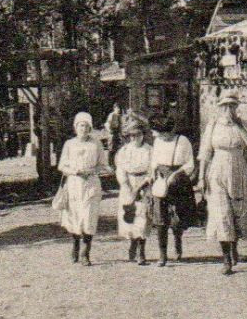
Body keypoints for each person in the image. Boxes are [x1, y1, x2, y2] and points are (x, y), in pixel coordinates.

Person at [197, 93, 247, 275]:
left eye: (232, 106)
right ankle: (226, 259)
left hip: (238, 168)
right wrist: (201, 177)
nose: (228, 110)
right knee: (221, 213)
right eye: (225, 106)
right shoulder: (213, 126)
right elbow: (205, 153)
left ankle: (234, 247)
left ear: (236, 107)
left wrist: (239, 125)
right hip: (218, 168)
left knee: (237, 212)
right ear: (219, 108)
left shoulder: (242, 125)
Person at [56, 111, 110, 265]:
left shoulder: (96, 144)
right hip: (74, 184)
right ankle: (75, 245)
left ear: (90, 127)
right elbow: (62, 165)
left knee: (89, 217)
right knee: (74, 217)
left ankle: (85, 253)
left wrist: (93, 171)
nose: (83, 129)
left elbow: (103, 164)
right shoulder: (69, 144)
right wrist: (76, 171)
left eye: (86, 126)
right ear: (75, 127)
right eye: (81, 125)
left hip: (91, 184)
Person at [148, 114, 196, 266]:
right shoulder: (157, 141)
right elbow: (154, 161)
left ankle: (177, 241)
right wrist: (152, 173)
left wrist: (176, 174)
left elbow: (190, 164)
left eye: (156, 131)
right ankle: (163, 255)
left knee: (177, 218)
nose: (154, 134)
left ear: (165, 131)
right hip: (161, 182)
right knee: (160, 218)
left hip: (178, 181)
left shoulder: (182, 141)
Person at [114, 113, 155, 264]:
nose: (134, 138)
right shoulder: (124, 151)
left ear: (143, 135)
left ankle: (141, 252)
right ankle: (133, 242)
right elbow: (120, 169)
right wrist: (126, 185)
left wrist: (143, 184)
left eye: (137, 135)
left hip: (144, 185)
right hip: (128, 184)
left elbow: (152, 170)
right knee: (130, 216)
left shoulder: (149, 150)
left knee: (143, 217)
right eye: (131, 136)